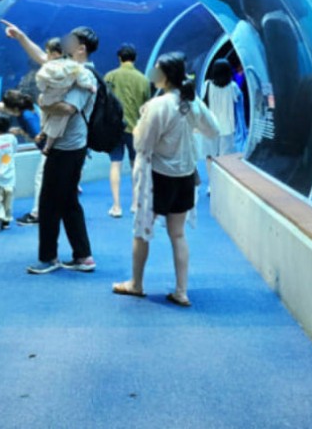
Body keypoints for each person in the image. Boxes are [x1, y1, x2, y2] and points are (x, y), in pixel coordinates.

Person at [112, 52, 220, 307]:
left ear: (166, 75)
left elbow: (141, 144)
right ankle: (181, 291)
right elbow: (213, 129)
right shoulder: (192, 102)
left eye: (156, 70)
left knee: (141, 233)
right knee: (178, 234)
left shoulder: (158, 105)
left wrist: (138, 128)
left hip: (157, 179)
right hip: (184, 177)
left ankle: (136, 284)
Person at [1, 19, 98, 274]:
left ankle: (50, 257)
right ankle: (82, 257)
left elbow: (68, 108)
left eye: (71, 41)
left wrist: (41, 102)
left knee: (49, 202)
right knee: (66, 201)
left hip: (69, 147)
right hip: (64, 146)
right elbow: (43, 58)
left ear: (82, 48)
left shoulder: (83, 75)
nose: (65, 43)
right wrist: (21, 36)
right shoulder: (66, 69)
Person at [14, 38, 65, 226]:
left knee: (42, 176)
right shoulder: (69, 73)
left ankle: (38, 213)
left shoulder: (50, 76)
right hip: (62, 137)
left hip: (54, 137)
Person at [103, 43, 151, 218]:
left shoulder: (110, 76)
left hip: (115, 129)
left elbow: (103, 100)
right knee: (135, 166)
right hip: (136, 129)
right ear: (135, 58)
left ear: (119, 58)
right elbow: (147, 105)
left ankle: (116, 206)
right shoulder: (143, 79)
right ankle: (135, 204)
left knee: (115, 164)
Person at [202, 59, 243, 158]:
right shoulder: (233, 87)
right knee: (226, 156)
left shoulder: (207, 85)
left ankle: (208, 172)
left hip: (210, 124)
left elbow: (203, 102)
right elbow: (239, 100)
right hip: (227, 126)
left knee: (208, 155)